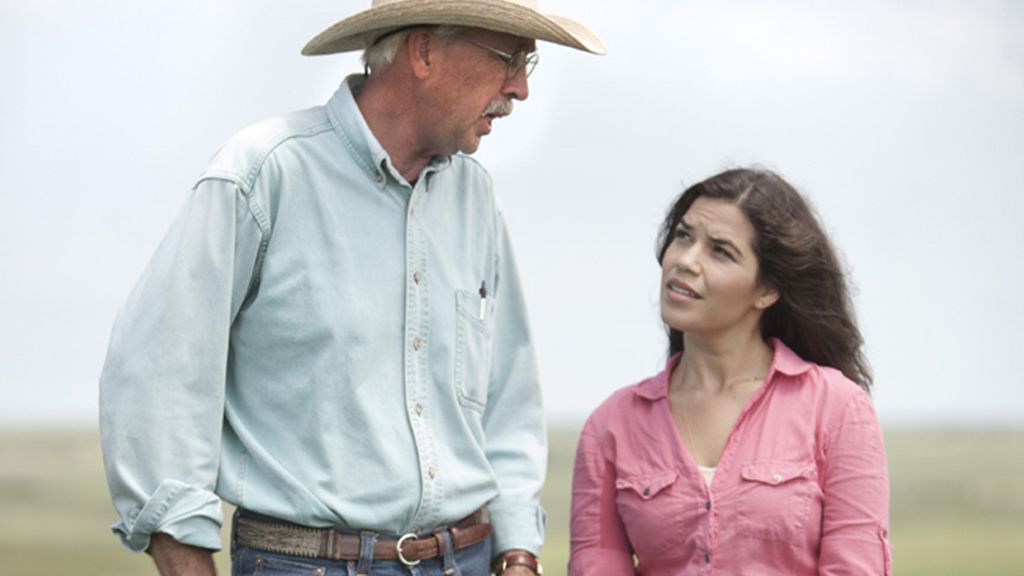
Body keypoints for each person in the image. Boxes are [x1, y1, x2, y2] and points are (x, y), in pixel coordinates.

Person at [99, 2, 605, 575]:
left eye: (526, 65)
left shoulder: (475, 197)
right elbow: (157, 376)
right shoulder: (265, 172)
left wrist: (517, 552)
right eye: (507, 59)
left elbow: (507, 395)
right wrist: (186, 558)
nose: (519, 89)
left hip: (466, 559)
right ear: (424, 51)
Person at [569, 168, 891, 575]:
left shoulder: (837, 409)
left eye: (720, 251)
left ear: (767, 290)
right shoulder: (611, 426)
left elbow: (856, 566)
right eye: (683, 236)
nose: (686, 260)